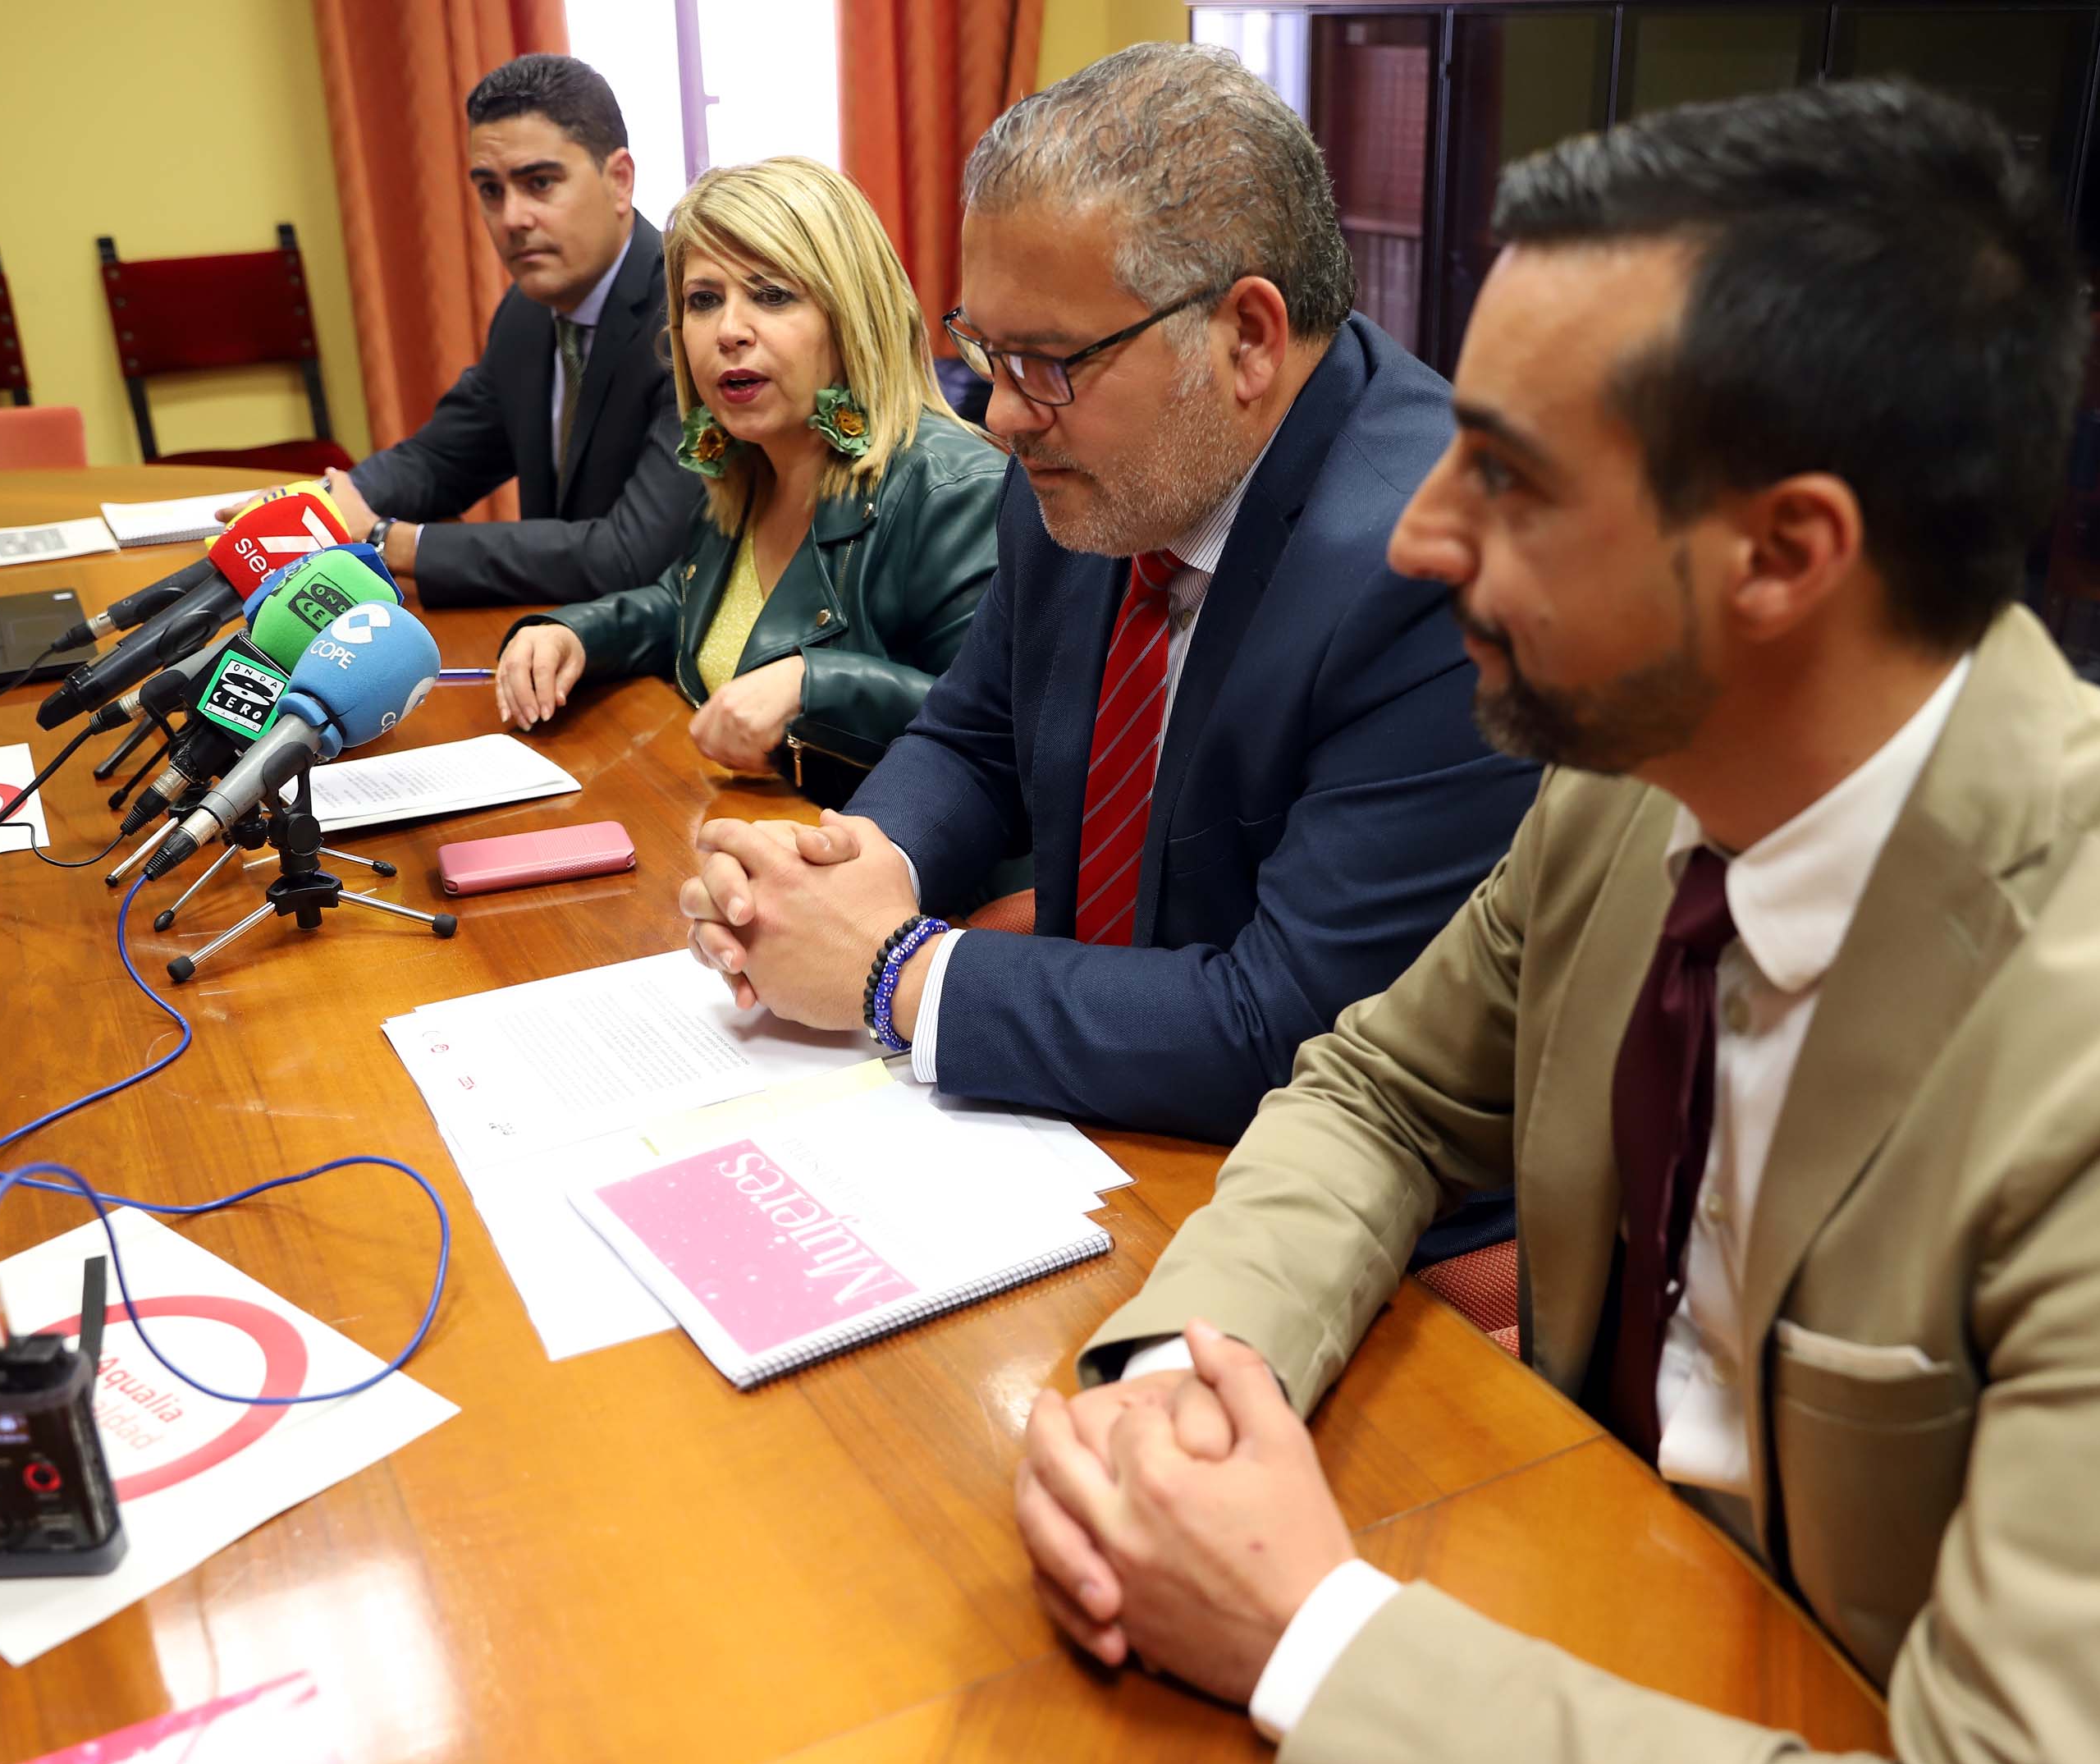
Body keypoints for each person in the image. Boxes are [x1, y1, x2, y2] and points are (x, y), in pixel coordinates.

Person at [1013, 80, 2100, 1764]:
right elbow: (1381, 1090)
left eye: (1511, 478)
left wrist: (1310, 1637)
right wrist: (1192, 1379)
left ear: (1784, 554)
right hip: (1632, 1635)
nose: (1415, 535)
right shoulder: (1635, 780)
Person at [674, 46, 1538, 1183]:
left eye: (1044, 362)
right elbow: (974, 737)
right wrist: (853, 866)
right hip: (1088, 1107)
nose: (1001, 416)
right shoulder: (1089, 465)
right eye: (985, 351)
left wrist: (893, 974)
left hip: (1323, 1185)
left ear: (1246, 338)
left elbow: (1298, 1027)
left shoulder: (1440, 570)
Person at [488, 158, 1006, 804]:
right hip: (733, 828)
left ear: (851, 314)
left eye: (772, 295)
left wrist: (813, 686)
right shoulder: (747, 462)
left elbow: (997, 734)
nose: (729, 331)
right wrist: (573, 635)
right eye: (704, 300)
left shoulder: (955, 489)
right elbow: (693, 607)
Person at [315, 54, 704, 610]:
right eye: (491, 191)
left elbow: (631, 554)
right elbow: (442, 460)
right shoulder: (526, 312)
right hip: (555, 631)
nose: (512, 219)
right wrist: (324, 506)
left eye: (539, 183)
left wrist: (386, 541)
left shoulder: (691, 317)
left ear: (619, 181)